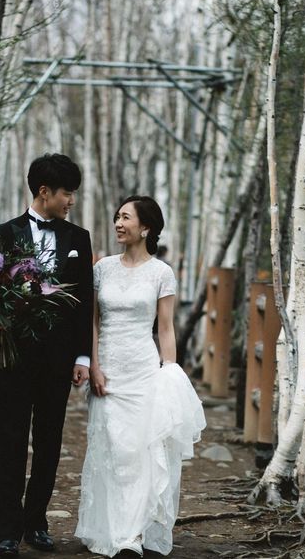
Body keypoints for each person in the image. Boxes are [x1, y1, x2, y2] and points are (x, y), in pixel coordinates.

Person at [75, 195, 206, 557]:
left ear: (145, 227)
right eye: (117, 217)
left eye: (126, 218)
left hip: (144, 371)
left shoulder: (161, 273)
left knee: (140, 452)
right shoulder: (102, 268)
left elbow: (165, 329)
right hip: (108, 370)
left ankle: (132, 534)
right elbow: (93, 322)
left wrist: (169, 373)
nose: (118, 223)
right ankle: (112, 528)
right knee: (111, 451)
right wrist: (94, 365)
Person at [0, 154, 93, 556]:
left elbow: (84, 301)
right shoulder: (2, 234)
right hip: (14, 354)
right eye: (67, 193)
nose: (71, 201)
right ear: (44, 192)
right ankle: (7, 532)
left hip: (59, 358)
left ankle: (36, 523)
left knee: (49, 441)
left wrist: (83, 357)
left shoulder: (79, 238)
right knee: (10, 439)